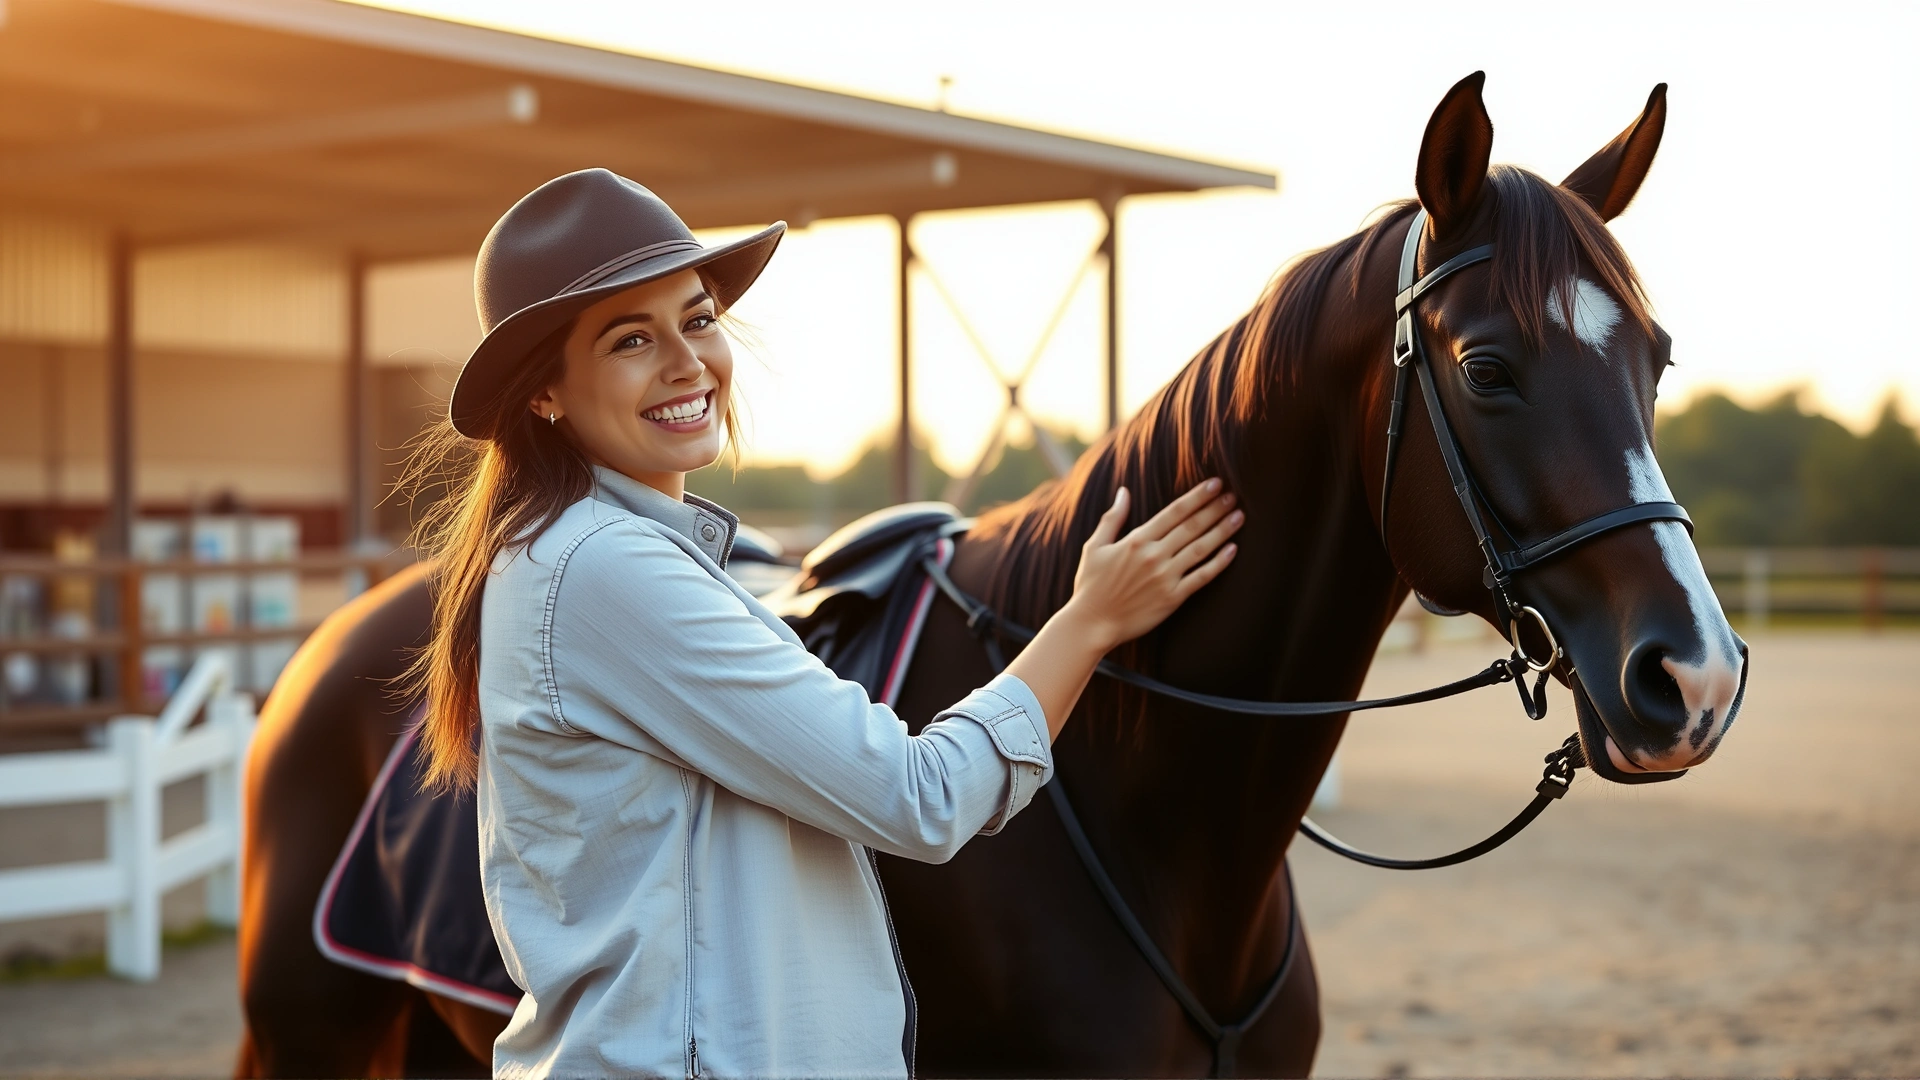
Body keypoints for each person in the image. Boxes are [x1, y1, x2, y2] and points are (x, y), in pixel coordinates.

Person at [405, 168, 1242, 1080]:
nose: (686, 363)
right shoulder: (604, 568)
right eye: (629, 339)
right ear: (546, 394)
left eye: (697, 319)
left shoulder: (584, 553)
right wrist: (1091, 619)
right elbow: (917, 798)